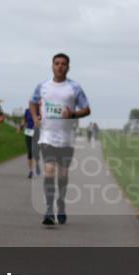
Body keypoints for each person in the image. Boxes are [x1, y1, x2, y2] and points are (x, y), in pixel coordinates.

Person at [29, 52, 91, 226]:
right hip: (47, 136)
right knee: (49, 170)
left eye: (63, 64)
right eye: (57, 63)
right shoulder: (42, 86)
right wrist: (35, 117)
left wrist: (72, 113)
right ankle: (49, 210)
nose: (60, 66)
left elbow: (87, 109)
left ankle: (61, 203)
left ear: (68, 67)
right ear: (52, 66)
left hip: (67, 138)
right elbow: (32, 102)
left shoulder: (75, 88)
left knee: (63, 174)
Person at [22, 106, 42, 179]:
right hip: (28, 132)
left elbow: (41, 121)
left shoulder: (40, 111)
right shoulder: (27, 110)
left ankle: (37, 164)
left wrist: (38, 122)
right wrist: (21, 126)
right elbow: (24, 120)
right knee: (30, 151)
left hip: (37, 132)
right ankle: (30, 171)